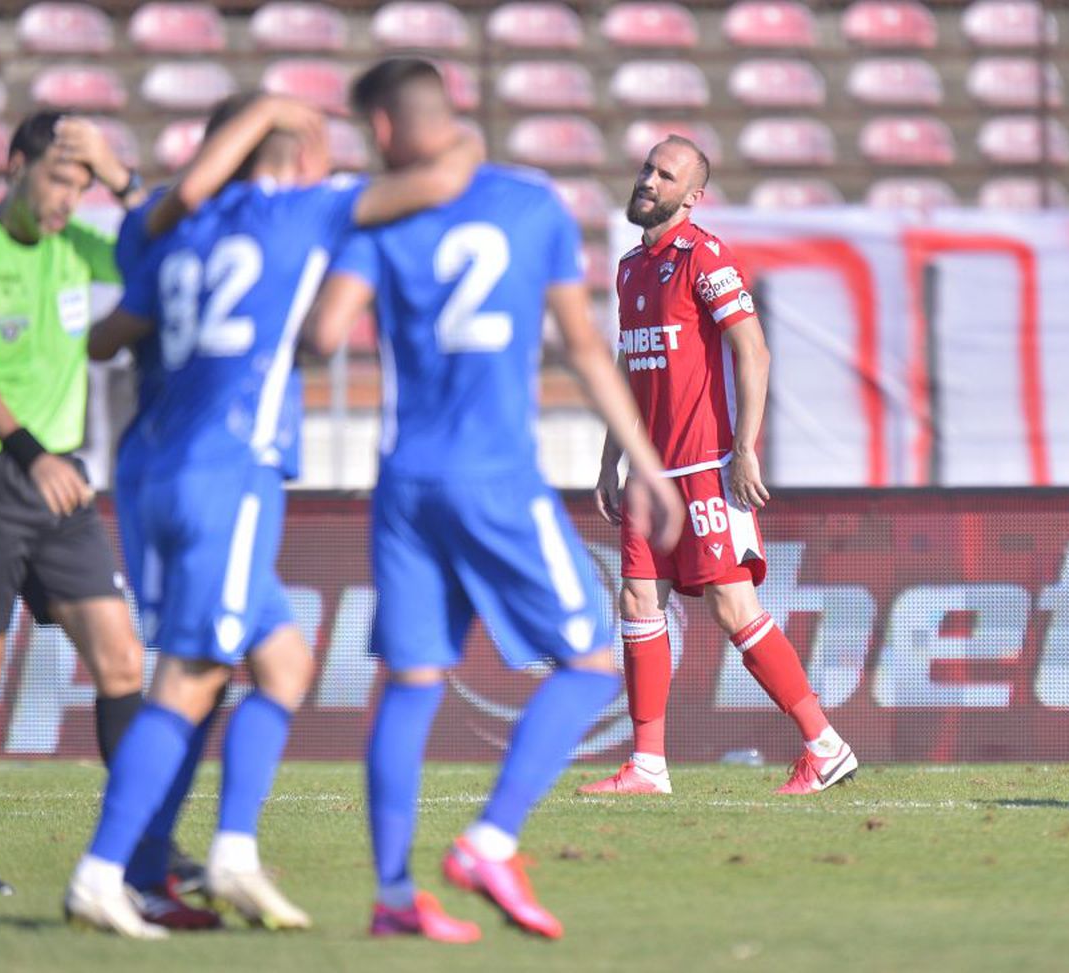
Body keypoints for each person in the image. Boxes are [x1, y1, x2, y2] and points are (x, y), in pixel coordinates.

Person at [64, 90, 486, 939]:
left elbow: (109, 335)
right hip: (228, 466)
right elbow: (445, 176)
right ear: (293, 157)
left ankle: (219, 856)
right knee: (190, 674)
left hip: (153, 465)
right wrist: (453, 126)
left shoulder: (160, 219)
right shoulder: (303, 209)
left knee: (282, 663)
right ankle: (106, 871)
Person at [305, 58, 684, 943]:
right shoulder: (531, 206)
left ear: (388, 130)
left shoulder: (382, 214)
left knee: (408, 685)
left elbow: (325, 333)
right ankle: (489, 838)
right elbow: (585, 347)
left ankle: (393, 895)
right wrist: (648, 467)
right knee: (591, 663)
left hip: (404, 482)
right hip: (495, 477)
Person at [577, 136, 859, 798]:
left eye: (665, 175)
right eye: (647, 168)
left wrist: (747, 447)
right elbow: (630, 364)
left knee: (735, 609)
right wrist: (610, 458)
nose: (649, 180)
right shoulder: (629, 268)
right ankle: (648, 762)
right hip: (650, 472)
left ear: (693, 196)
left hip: (704, 465)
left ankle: (824, 743)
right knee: (639, 599)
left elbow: (752, 350)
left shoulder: (704, 256)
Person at [0, 112, 148, 894]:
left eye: (81, 188)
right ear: (16, 166)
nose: (66, 202)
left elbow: (160, 241)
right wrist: (32, 454)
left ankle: (140, 847)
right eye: (59, 179)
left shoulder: (76, 245)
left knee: (122, 658)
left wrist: (120, 179)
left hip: (62, 482)